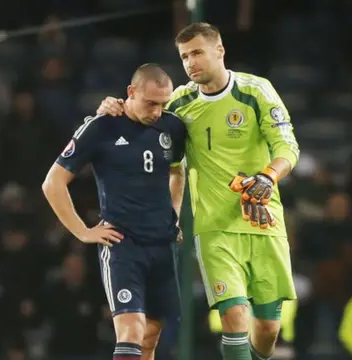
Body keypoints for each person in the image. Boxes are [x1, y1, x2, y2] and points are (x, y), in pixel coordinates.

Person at [96, 23, 300, 360]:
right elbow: (144, 119)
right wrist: (113, 108)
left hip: (263, 222)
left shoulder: (256, 91)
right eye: (185, 56)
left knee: (267, 331)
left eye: (197, 53)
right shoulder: (180, 103)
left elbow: (287, 146)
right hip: (213, 229)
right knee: (233, 318)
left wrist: (267, 177)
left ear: (219, 51)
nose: (190, 63)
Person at [42, 63, 186, 360]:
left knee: (150, 337)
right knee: (131, 331)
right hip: (123, 245)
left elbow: (177, 172)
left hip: (161, 243)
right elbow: (52, 183)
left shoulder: (172, 127)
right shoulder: (102, 126)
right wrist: (82, 231)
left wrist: (174, 214)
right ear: (131, 92)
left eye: (163, 103)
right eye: (150, 103)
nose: (157, 111)